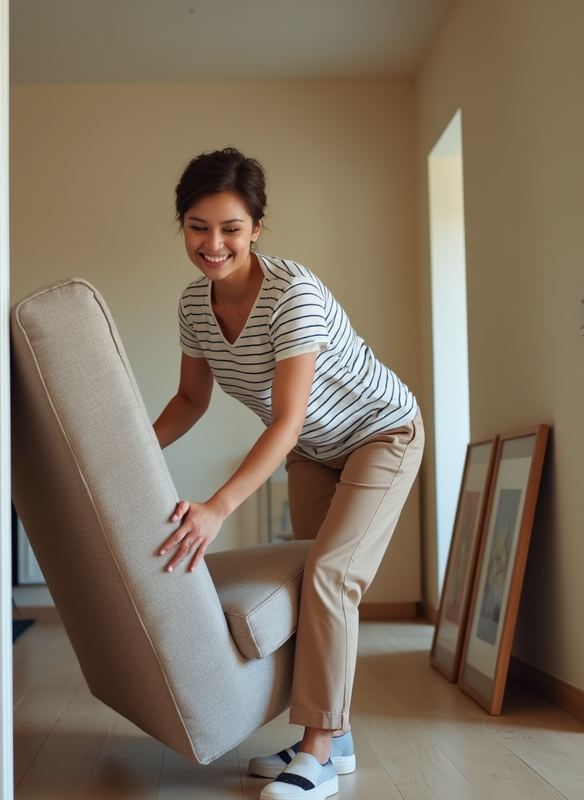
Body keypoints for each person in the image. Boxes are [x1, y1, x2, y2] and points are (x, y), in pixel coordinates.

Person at [152, 147, 425, 800]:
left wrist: (217, 507)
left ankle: (318, 754)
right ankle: (340, 735)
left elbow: (283, 420)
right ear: (182, 224)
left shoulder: (292, 294)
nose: (212, 244)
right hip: (314, 449)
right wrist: (130, 453)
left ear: (256, 229)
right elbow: (191, 400)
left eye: (230, 229)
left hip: (381, 434)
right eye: (197, 226)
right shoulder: (195, 305)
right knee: (310, 580)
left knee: (332, 577)